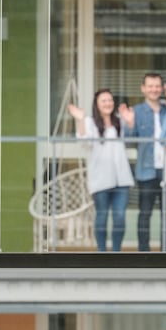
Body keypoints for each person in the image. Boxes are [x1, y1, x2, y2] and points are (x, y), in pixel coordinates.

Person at [67, 89, 134, 252]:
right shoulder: (90, 122)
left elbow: (131, 140)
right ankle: (102, 252)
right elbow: (84, 143)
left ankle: (116, 252)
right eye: (104, 100)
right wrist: (81, 120)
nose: (108, 103)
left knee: (119, 218)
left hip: (122, 179)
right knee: (102, 217)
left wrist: (130, 122)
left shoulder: (119, 121)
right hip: (101, 179)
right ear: (97, 104)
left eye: (110, 100)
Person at [120, 72, 166, 251]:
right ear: (143, 88)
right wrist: (129, 125)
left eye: (157, 86)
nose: (154, 89)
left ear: (162, 88)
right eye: (150, 86)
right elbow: (128, 142)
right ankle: (144, 253)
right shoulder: (135, 112)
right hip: (146, 170)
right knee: (145, 213)